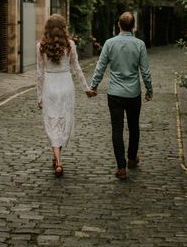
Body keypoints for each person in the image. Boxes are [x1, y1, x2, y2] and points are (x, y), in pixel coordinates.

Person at [88, 11, 153, 180]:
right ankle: (132, 158)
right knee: (133, 126)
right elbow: (145, 71)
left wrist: (93, 86)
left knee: (117, 129)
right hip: (133, 93)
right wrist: (149, 89)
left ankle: (121, 167)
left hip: (115, 93)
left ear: (119, 24)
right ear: (133, 26)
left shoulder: (109, 44)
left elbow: (100, 67)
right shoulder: (139, 45)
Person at [36, 14, 90, 176]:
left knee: (52, 121)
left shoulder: (41, 46)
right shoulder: (70, 45)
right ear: (63, 28)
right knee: (63, 121)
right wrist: (86, 88)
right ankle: (58, 157)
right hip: (66, 86)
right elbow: (77, 69)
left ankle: (57, 160)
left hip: (50, 87)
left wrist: (39, 97)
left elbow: (39, 74)